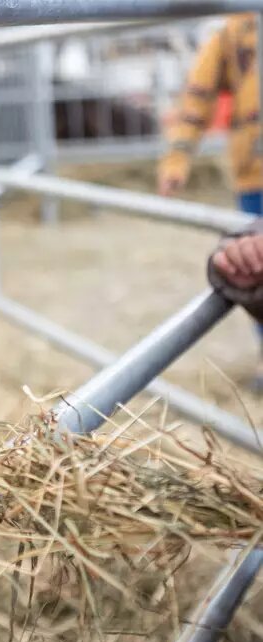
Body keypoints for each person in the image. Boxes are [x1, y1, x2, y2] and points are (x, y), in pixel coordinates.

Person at [159, 14, 263, 387]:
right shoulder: (234, 29)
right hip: (254, 172)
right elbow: (197, 95)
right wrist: (177, 157)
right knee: (255, 267)